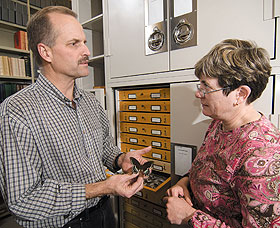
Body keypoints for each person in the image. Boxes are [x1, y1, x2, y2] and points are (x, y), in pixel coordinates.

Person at [0, 6, 151, 228]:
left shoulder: (90, 102)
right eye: (74, 43)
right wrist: (104, 187)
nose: (87, 51)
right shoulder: (17, 111)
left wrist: (121, 159)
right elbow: (23, 200)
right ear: (46, 52)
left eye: (84, 42)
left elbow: (105, 151)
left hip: (104, 213)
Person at [164, 39, 280, 227]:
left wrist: (190, 216)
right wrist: (184, 182)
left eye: (206, 87)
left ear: (240, 94)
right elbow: (205, 167)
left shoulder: (263, 156)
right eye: (199, 85)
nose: (198, 93)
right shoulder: (218, 124)